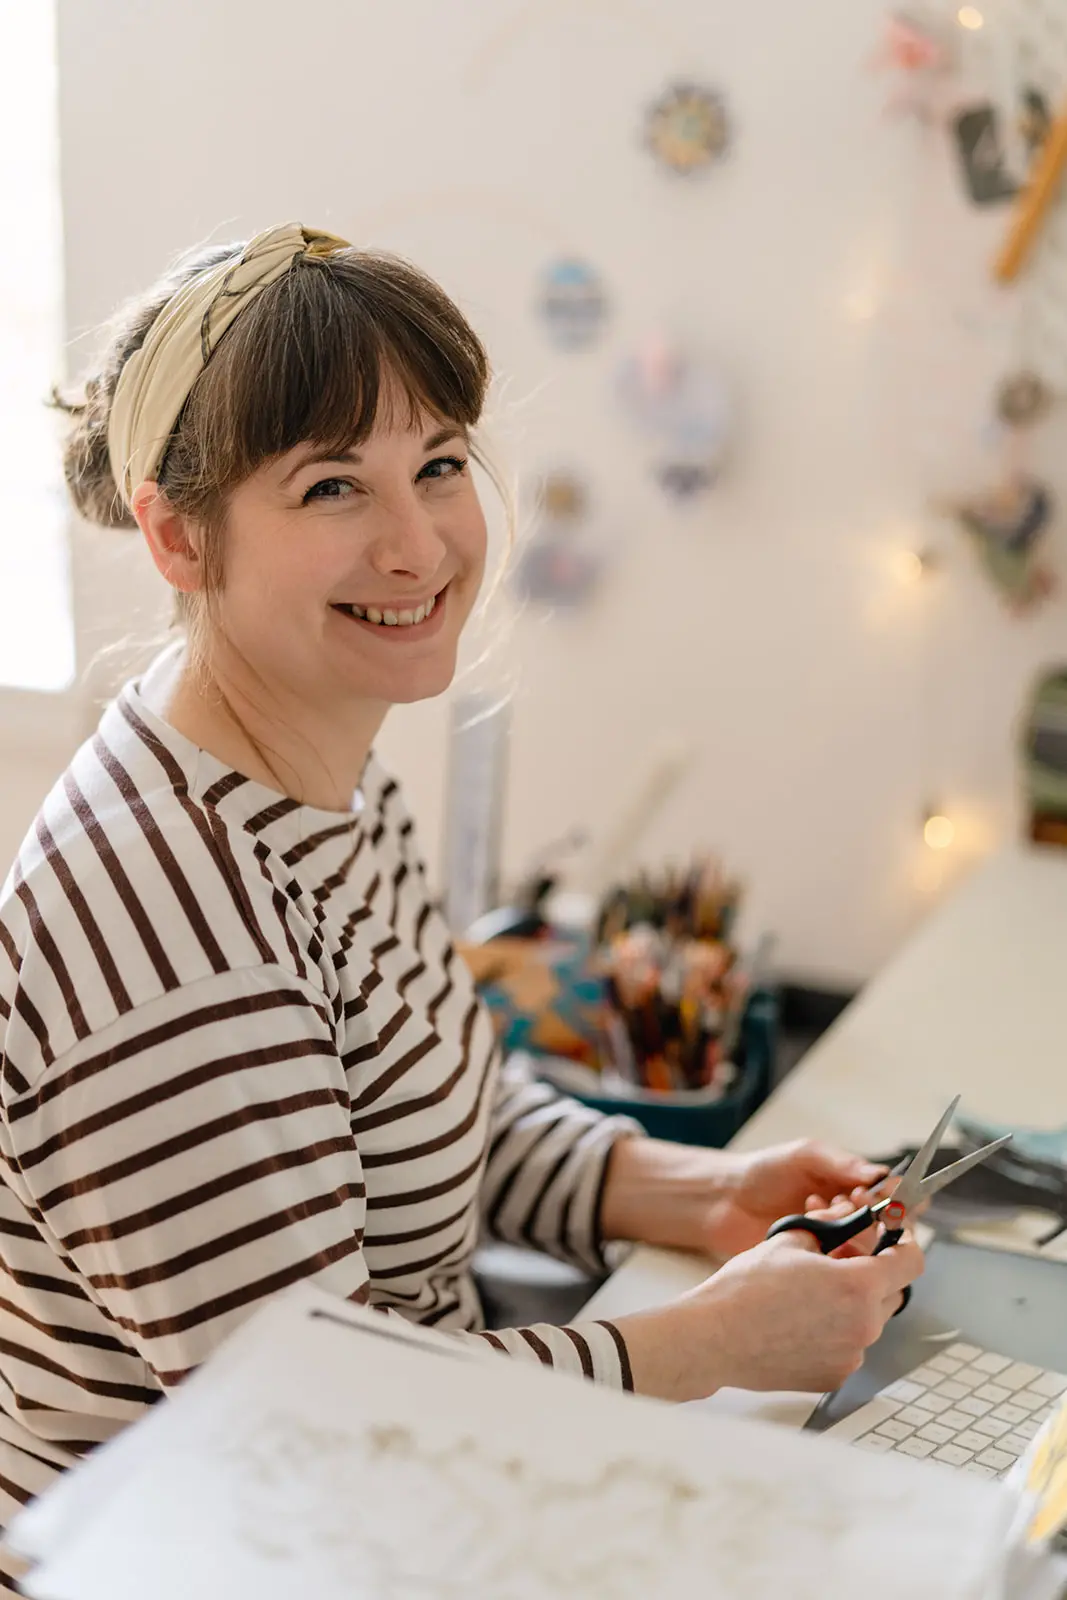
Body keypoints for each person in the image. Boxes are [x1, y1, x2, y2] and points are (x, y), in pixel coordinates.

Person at [0, 223, 923, 1567]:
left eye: (437, 465)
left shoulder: (316, 776)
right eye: (330, 488)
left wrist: (675, 1186)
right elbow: (312, 1426)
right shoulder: (161, 922)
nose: (419, 543)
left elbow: (442, 1105)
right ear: (176, 536)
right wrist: (708, 1341)